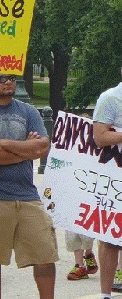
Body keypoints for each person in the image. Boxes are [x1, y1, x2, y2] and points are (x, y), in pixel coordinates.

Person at [0, 73, 58, 299]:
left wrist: (5, 144)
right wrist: (26, 148)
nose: (8, 82)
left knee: (46, 256)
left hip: (27, 195)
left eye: (12, 78)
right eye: (1, 78)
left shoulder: (29, 111)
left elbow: (43, 147)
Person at [93, 70, 122, 299]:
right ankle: (106, 294)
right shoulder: (110, 99)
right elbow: (100, 136)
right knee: (111, 236)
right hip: (115, 177)